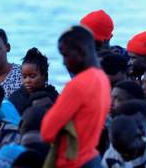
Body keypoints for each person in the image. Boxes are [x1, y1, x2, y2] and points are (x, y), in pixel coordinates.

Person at [41, 25, 111, 167]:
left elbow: (47, 132)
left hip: (74, 162)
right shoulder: (103, 79)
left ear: (80, 51)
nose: (63, 61)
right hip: (93, 158)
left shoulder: (78, 85)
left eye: (65, 55)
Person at [8, 48, 58, 115]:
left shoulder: (53, 97)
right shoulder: (15, 98)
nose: (27, 81)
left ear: (45, 77)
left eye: (32, 76)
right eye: (24, 77)